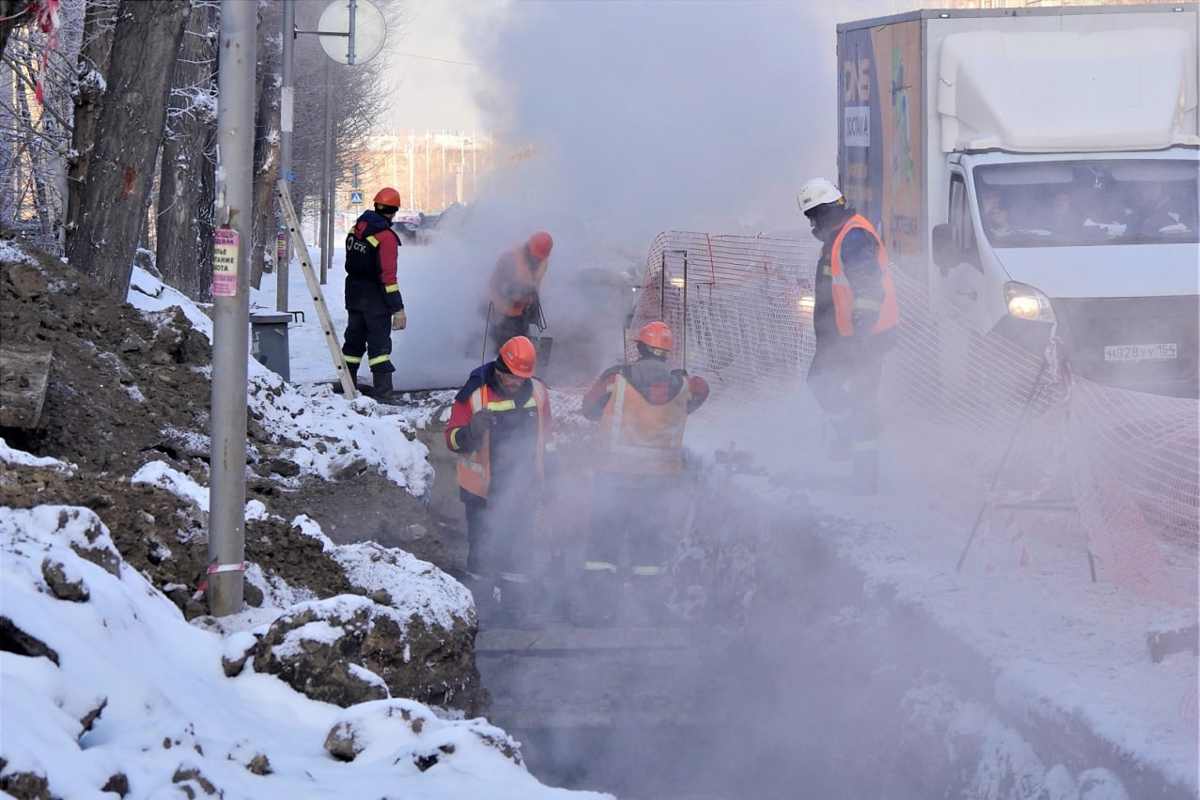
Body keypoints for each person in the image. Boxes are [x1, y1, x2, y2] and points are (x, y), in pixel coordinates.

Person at [575, 321, 709, 625]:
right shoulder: (685, 388)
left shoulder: (615, 379)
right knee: (647, 548)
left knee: (602, 551)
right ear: (667, 353)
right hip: (658, 482)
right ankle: (648, 612)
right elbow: (703, 390)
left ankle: (597, 610)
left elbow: (588, 409)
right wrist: (682, 378)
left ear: (639, 347)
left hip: (614, 477)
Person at [445, 335, 558, 628]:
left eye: (523, 377)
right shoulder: (474, 393)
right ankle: (477, 612)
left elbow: (547, 440)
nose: (517, 383)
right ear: (500, 367)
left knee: (519, 552)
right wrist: (471, 430)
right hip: (481, 492)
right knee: (481, 552)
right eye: (512, 376)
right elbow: (451, 439)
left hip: (523, 488)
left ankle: (514, 611)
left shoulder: (539, 392)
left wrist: (553, 477)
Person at [796, 177, 900, 494]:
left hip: (862, 337)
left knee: (830, 387)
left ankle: (858, 456)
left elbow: (868, 289)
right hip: (851, 336)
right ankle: (861, 465)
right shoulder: (841, 235)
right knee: (853, 397)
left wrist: (860, 335)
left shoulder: (853, 237)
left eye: (813, 215)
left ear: (826, 211)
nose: (811, 223)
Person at [339, 187, 406, 402]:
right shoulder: (385, 237)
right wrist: (398, 309)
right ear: (394, 210)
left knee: (353, 343)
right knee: (379, 349)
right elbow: (388, 277)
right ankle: (383, 394)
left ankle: (346, 386)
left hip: (354, 295)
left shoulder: (357, 227)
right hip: (375, 300)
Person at [482, 232, 553, 355]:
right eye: (535, 256)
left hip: (519, 313)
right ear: (529, 248)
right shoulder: (510, 258)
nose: (537, 260)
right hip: (499, 311)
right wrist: (514, 290)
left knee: (522, 346)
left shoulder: (543, 263)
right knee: (501, 348)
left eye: (540, 258)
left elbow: (536, 286)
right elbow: (496, 284)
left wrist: (533, 305)